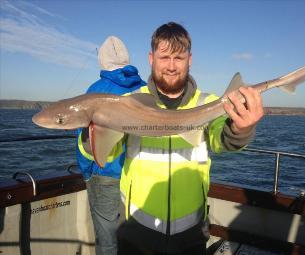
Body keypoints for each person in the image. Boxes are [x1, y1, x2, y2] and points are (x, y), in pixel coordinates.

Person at [115, 22, 264, 255]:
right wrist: (90, 134)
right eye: (164, 57)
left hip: (191, 231)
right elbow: (104, 153)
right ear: (151, 58)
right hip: (136, 228)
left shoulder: (210, 103)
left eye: (179, 58)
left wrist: (241, 128)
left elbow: (221, 139)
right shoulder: (128, 103)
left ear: (190, 60)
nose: (172, 66)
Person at [76, 35, 146, 255]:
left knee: (107, 238)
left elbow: (86, 141)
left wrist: (88, 172)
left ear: (102, 61)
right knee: (136, 237)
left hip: (105, 172)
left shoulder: (96, 91)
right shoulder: (144, 90)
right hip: (137, 175)